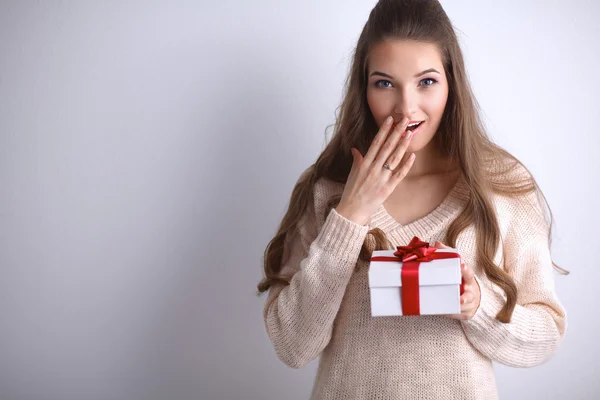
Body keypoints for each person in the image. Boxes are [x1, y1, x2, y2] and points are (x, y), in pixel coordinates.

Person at [256, 0, 568, 398]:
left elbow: (546, 334)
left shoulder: (501, 185)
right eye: (384, 83)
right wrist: (350, 215)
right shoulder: (327, 189)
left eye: (426, 82)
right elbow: (292, 345)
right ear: (363, 87)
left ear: (451, 83)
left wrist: (478, 307)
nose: (406, 107)